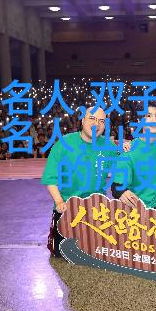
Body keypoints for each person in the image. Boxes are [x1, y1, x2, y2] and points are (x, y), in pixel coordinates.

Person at [41, 106, 118, 257]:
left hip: (97, 209)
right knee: (62, 252)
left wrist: (129, 147)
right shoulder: (64, 144)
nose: (96, 124)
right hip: (68, 207)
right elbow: (50, 178)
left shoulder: (108, 147)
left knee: (103, 252)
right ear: (83, 121)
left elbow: (127, 162)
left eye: (101, 121)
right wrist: (59, 201)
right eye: (92, 119)